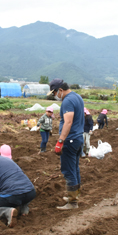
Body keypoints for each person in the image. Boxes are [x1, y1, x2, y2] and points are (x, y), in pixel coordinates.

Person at [48, 78, 85, 210]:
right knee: (75, 168)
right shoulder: (77, 97)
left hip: (70, 139)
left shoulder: (68, 100)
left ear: (60, 90)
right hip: (78, 138)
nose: (55, 96)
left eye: (54, 93)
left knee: (68, 170)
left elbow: (68, 122)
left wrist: (60, 141)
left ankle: (72, 202)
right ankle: (74, 195)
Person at [0, 148, 36, 227]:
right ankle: (23, 209)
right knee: (19, 193)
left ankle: (8, 212)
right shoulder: (7, 159)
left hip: (13, 195)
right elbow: (3, 187)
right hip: (31, 192)